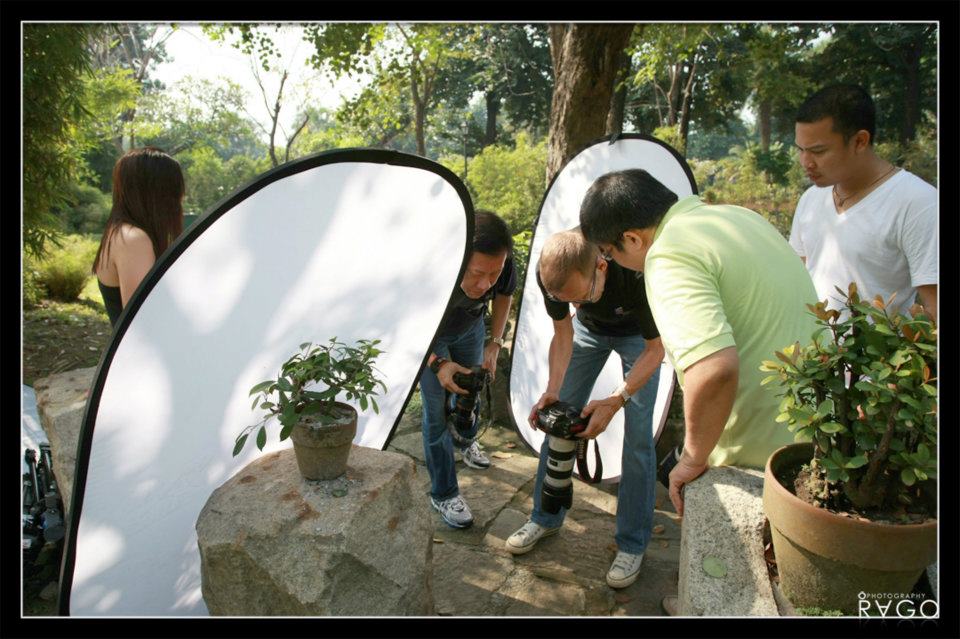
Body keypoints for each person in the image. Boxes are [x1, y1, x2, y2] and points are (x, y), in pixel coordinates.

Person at [578, 169, 820, 518]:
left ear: (631, 240)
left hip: (763, 461)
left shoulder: (668, 256)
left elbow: (713, 370)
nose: (615, 264)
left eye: (609, 253)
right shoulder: (740, 218)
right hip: (817, 430)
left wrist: (692, 458)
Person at [504, 228, 664, 589]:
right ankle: (545, 517)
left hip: (638, 336)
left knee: (639, 436)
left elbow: (656, 350)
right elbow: (564, 332)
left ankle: (632, 544)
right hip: (588, 334)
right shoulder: (555, 273)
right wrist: (552, 391)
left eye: (583, 296)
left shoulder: (636, 272)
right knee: (557, 421)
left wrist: (616, 399)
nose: (577, 305)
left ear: (603, 266)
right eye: (570, 300)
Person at [791, 84, 938, 323]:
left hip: (881, 359)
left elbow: (935, 309)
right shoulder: (811, 200)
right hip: (812, 357)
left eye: (818, 151)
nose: (806, 162)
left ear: (860, 141)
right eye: (801, 150)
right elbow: (797, 281)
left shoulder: (918, 203)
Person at [421, 210, 515, 528]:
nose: (484, 283)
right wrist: (438, 364)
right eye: (476, 273)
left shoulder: (500, 260)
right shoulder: (431, 268)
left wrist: (496, 341)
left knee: (472, 387)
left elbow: (504, 294)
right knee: (435, 414)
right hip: (430, 336)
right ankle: (444, 493)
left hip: (471, 326)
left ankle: (466, 439)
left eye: (493, 272)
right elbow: (409, 331)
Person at [92, 147, 185, 327]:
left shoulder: (119, 231)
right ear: (159, 193)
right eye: (175, 190)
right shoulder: (133, 240)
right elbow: (143, 325)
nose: (181, 198)